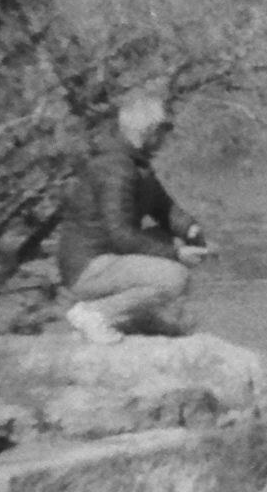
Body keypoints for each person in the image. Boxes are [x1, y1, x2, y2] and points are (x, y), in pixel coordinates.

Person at [56, 93, 209, 343]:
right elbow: (121, 235)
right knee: (175, 278)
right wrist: (176, 254)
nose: (166, 138)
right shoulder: (115, 168)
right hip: (88, 267)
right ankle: (94, 314)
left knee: (165, 241)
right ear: (147, 130)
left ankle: (137, 321)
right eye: (163, 130)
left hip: (106, 259)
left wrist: (191, 231)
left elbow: (166, 209)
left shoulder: (136, 166)